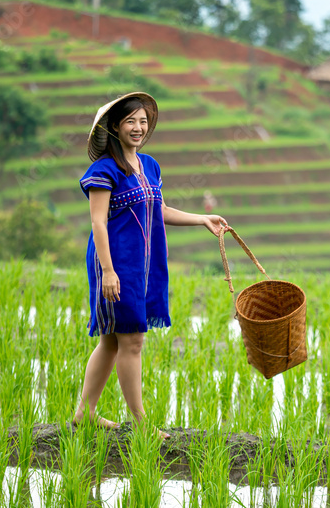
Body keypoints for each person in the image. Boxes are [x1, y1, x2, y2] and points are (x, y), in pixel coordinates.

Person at [71, 91, 228, 438]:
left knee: (113, 341)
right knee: (132, 342)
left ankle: (85, 412)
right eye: (131, 121)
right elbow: (98, 223)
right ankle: (141, 424)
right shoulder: (104, 170)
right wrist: (109, 270)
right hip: (115, 263)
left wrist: (203, 219)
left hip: (144, 265)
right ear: (114, 127)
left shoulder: (151, 166)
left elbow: (161, 210)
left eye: (143, 121)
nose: (138, 127)